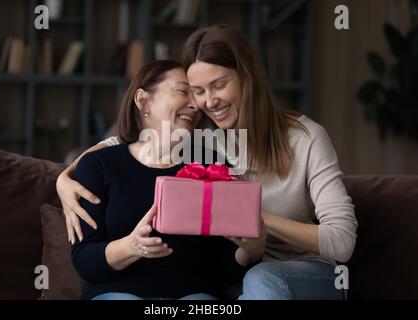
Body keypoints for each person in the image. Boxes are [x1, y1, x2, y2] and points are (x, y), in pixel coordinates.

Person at [57, 25, 358, 300]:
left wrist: (255, 217)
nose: (207, 102)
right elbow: (126, 147)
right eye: (197, 91)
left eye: (219, 85)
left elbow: (342, 241)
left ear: (247, 76)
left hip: (305, 273)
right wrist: (64, 178)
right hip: (242, 275)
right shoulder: (203, 142)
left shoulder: (306, 138)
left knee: (261, 280)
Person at [69, 60, 262, 300]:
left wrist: (249, 252)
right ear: (143, 101)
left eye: (196, 95)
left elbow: (223, 268)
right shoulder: (99, 165)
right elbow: (84, 260)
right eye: (183, 91)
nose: (195, 105)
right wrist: (131, 246)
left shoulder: (212, 165)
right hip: (118, 293)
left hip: (192, 295)